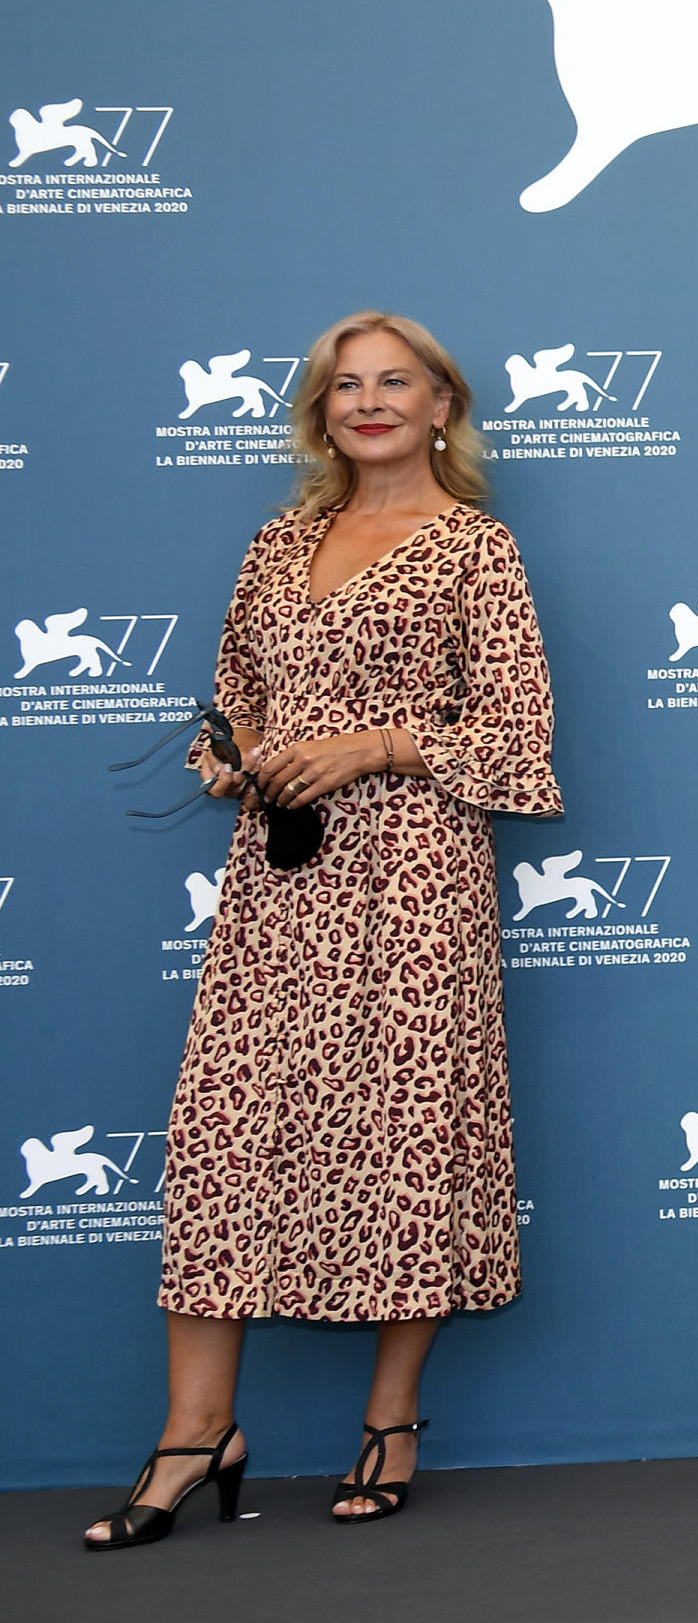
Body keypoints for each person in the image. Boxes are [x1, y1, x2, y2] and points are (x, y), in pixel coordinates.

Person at [83, 312, 563, 1549]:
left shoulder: (477, 549)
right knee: (227, 1126)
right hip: (279, 879)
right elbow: (227, 706)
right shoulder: (276, 541)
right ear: (321, 411)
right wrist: (232, 763)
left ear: (442, 404)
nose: (370, 401)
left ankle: (392, 1417)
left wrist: (381, 744)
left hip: (414, 876)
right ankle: (198, 1432)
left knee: (409, 1118)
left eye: (395, 381)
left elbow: (520, 741)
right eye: (346, 385)